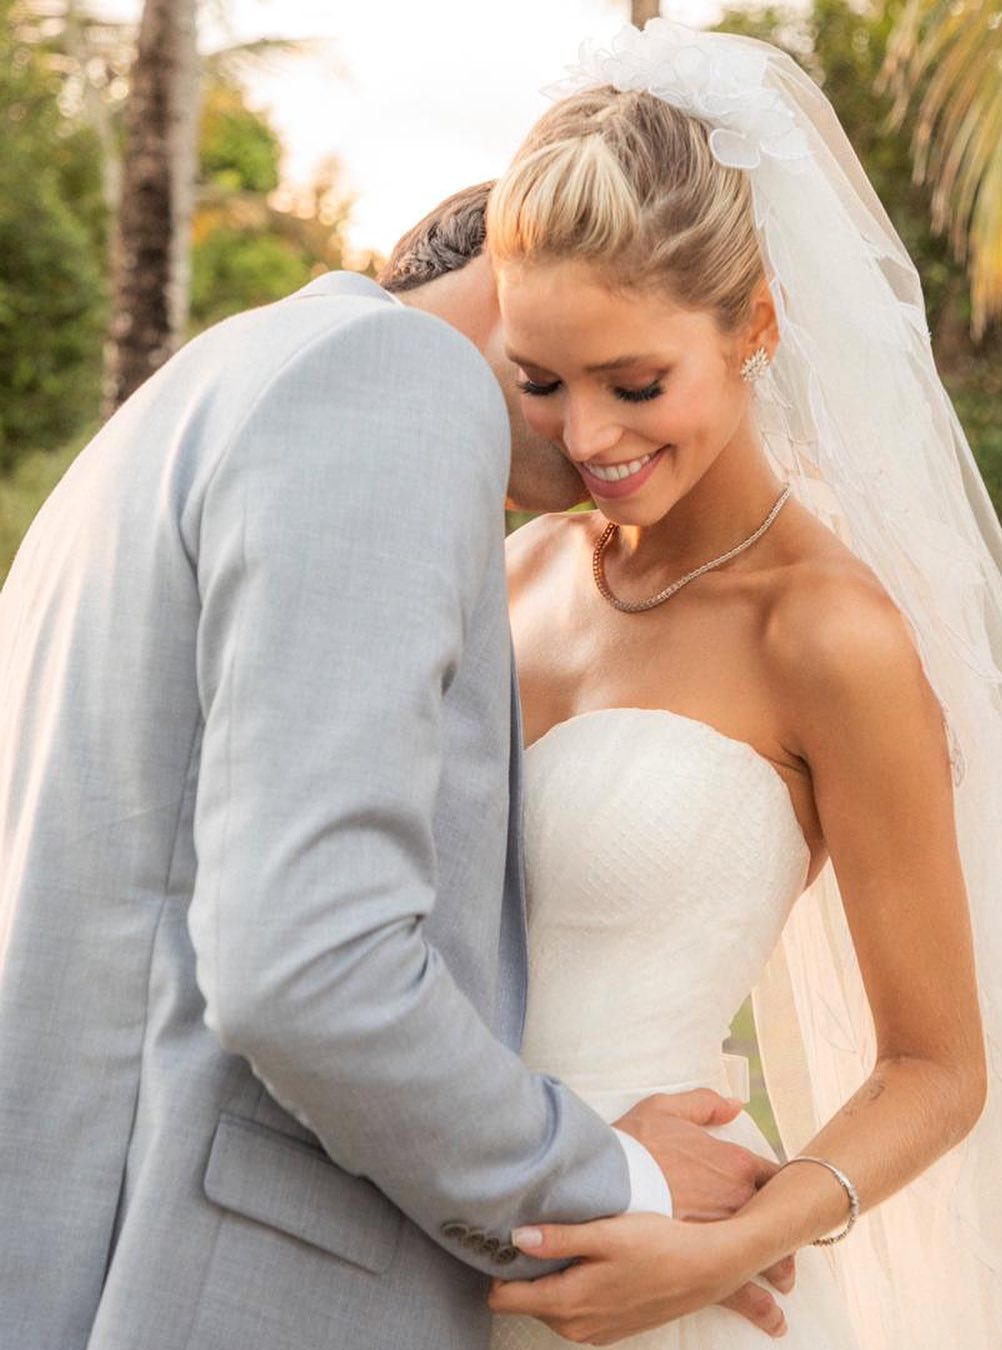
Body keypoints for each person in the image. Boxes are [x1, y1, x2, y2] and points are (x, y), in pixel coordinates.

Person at [0, 184, 796, 1349]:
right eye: (576, 371)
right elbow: (304, 960)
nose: (591, 442)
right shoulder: (398, 387)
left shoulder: (205, 383)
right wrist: (617, 1180)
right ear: (523, 270)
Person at [484, 20, 1002, 1348]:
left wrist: (727, 1255)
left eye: (637, 382)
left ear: (755, 323)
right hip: (415, 1246)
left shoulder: (830, 635)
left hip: (657, 1277)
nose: (588, 437)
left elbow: (939, 1066)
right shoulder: (516, 575)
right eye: (543, 381)